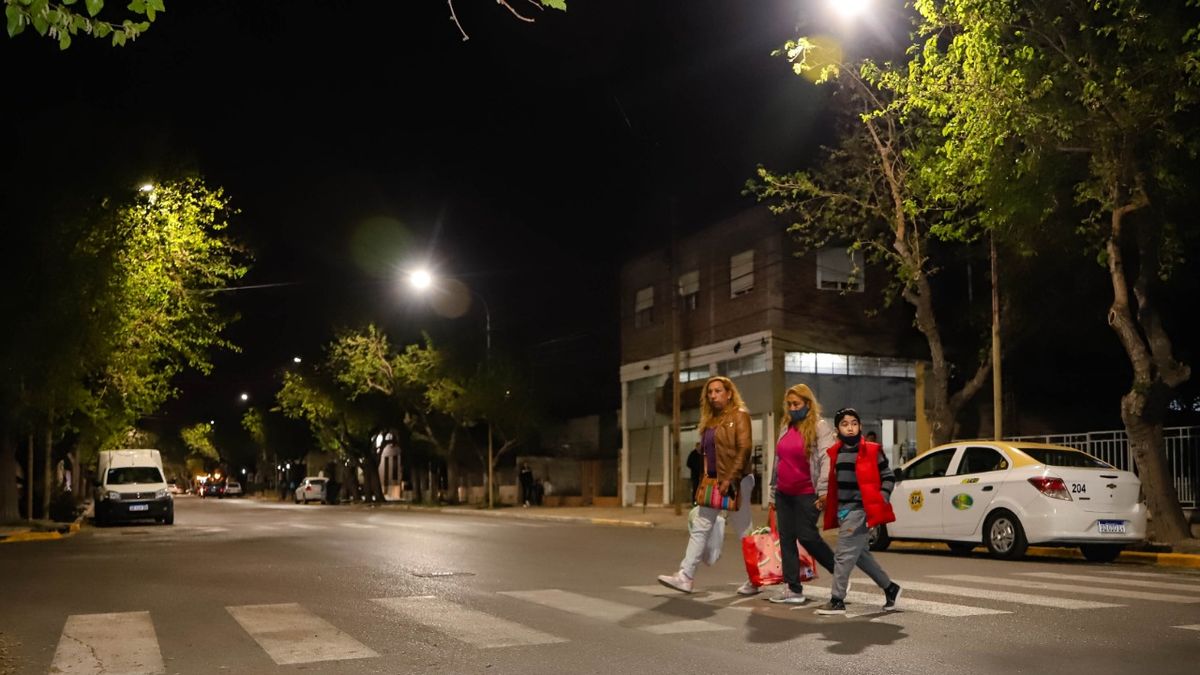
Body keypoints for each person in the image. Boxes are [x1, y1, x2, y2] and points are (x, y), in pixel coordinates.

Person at [658, 376, 758, 594]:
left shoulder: (739, 415)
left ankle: (756, 578)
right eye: (710, 392)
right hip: (712, 481)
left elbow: (744, 448)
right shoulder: (710, 421)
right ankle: (685, 576)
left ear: (729, 393)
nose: (713, 395)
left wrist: (730, 478)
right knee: (701, 527)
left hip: (736, 481)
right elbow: (707, 455)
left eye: (718, 391)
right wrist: (705, 481)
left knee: (744, 531)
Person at [815, 407, 902, 615]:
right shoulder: (836, 452)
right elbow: (837, 483)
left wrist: (880, 498)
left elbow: (888, 477)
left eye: (854, 423)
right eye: (845, 424)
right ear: (837, 430)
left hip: (860, 510)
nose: (850, 428)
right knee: (861, 556)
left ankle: (837, 600)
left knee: (843, 556)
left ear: (860, 426)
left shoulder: (871, 450)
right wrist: (826, 499)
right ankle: (891, 589)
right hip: (844, 511)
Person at [763, 384, 837, 604]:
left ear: (807, 404)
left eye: (796, 404)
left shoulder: (819, 427)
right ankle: (793, 589)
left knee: (807, 536)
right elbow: (778, 461)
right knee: (786, 540)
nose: (792, 408)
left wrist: (823, 490)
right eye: (789, 404)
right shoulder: (786, 425)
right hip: (784, 493)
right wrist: (772, 495)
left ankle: (839, 573)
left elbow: (827, 458)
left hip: (807, 492)